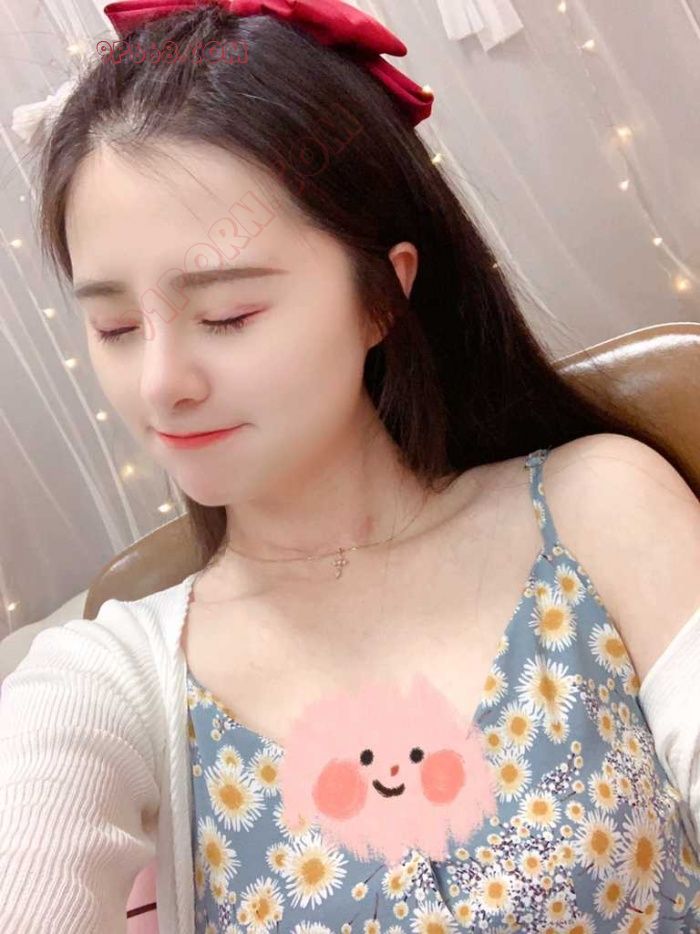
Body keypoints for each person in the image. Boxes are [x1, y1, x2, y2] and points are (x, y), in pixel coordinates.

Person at [1, 0, 699, 931]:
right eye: (116, 327)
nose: (161, 384)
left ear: (382, 294)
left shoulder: (597, 507)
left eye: (227, 315)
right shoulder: (110, 676)